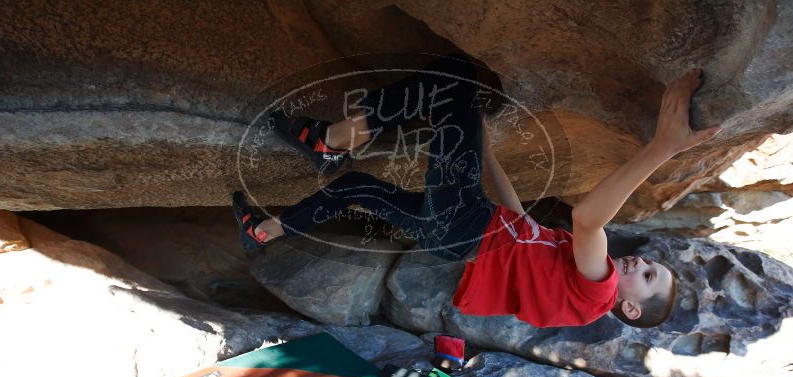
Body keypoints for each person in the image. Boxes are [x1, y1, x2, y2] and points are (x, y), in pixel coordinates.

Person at [232, 53, 720, 328]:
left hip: (463, 225)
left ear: (629, 307)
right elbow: (518, 220)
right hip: (452, 236)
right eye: (653, 265)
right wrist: (483, 150)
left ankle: (331, 139)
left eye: (650, 276)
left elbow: (589, 219)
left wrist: (661, 147)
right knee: (358, 186)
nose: (642, 264)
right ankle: (265, 231)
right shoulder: (574, 287)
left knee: (455, 84)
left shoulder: (599, 287)